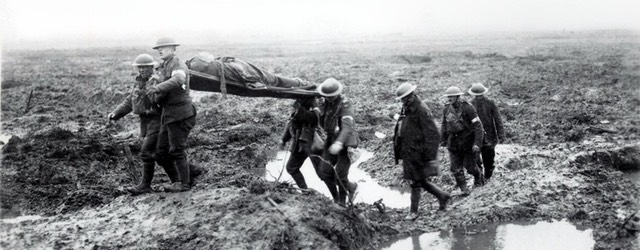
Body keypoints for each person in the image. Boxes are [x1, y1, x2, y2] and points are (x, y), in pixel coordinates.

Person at [145, 37, 197, 192]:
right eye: (159, 49)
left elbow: (179, 78)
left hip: (180, 115)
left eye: (164, 48)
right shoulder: (164, 66)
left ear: (173, 49)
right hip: (168, 116)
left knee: (176, 150)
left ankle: (184, 184)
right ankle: (181, 178)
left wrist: (158, 87)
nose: (161, 51)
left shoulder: (177, 64)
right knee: (160, 153)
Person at [393, 83, 451, 220]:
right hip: (409, 151)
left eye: (404, 98)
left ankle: (413, 212)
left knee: (416, 182)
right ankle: (443, 196)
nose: (402, 101)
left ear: (410, 96)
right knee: (420, 180)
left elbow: (434, 134)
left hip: (419, 152)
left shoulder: (421, 110)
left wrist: (430, 157)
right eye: (401, 99)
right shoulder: (407, 108)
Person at [316, 78, 359, 205]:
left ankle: (342, 203)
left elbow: (347, 127)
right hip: (331, 140)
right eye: (326, 96)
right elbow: (323, 123)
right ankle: (347, 190)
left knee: (340, 175)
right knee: (324, 172)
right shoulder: (325, 103)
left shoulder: (345, 103)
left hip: (346, 143)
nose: (328, 99)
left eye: (331, 97)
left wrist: (339, 143)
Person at [441, 86, 485, 195]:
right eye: (448, 96)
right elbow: (444, 124)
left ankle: (478, 176)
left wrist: (477, 143)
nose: (449, 98)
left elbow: (478, 126)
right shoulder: (446, 108)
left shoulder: (468, 108)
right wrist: (442, 139)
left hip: (467, 142)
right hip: (453, 143)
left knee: (470, 167)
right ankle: (464, 188)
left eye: (452, 96)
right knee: (455, 168)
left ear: (457, 96)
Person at [280, 97, 328, 191]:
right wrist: (284, 140)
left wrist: (298, 107)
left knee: (323, 174)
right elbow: (291, 124)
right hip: (300, 146)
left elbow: (308, 118)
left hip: (312, 145)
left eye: (300, 100)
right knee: (291, 168)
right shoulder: (298, 111)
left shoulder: (314, 112)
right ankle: (305, 190)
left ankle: (346, 188)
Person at [468, 83, 505, 180]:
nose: (479, 97)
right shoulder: (470, 104)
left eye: (480, 95)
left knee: (488, 160)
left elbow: (497, 119)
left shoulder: (490, 103)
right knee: (476, 159)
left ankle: (488, 177)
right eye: (477, 96)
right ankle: (479, 178)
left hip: (489, 135)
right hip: (475, 136)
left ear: (483, 94)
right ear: (474, 95)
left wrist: (501, 134)